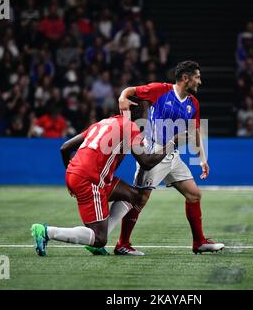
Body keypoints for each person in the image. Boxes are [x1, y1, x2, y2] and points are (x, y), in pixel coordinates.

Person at [30, 97, 176, 256]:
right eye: (148, 110)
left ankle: (106, 243)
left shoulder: (104, 122)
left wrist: (72, 171)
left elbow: (65, 148)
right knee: (99, 237)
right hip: (90, 181)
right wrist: (171, 144)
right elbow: (147, 162)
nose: (148, 116)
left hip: (85, 176)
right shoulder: (130, 127)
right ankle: (46, 232)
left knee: (135, 197)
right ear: (137, 111)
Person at [117, 60, 225, 255]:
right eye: (197, 77)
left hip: (173, 155)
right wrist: (123, 97)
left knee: (194, 195)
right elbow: (129, 91)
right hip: (155, 151)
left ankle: (199, 242)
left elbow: (194, 131)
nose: (200, 81)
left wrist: (202, 159)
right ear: (186, 78)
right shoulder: (160, 90)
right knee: (140, 199)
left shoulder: (193, 104)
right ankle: (122, 244)